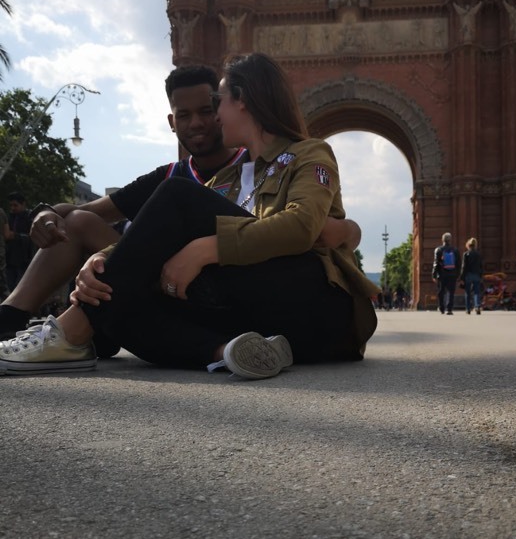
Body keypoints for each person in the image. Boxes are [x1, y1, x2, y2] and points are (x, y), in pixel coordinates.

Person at [0, 52, 379, 378]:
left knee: (177, 195)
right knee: (122, 307)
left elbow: (299, 228)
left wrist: (206, 249)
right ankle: (228, 352)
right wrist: (103, 262)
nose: (215, 116)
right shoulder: (227, 179)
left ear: (242, 100)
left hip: (317, 309)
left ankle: (69, 335)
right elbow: (158, 238)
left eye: (219, 102)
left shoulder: (308, 153)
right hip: (269, 323)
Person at [5, 192, 34, 291]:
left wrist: (15, 236)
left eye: (15, 205)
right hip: (9, 260)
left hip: (23, 260)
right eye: (11, 205)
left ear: (23, 204)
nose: (13, 208)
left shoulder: (30, 218)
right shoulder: (9, 218)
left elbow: (32, 237)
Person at [432, 232, 461, 314]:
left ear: (442, 240)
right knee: (451, 292)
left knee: (441, 291)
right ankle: (449, 309)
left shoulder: (438, 249)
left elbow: (435, 263)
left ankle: (441, 308)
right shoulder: (455, 250)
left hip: (442, 274)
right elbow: (458, 263)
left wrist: (434, 275)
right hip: (452, 274)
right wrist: (458, 274)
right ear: (450, 240)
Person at [460, 237, 483, 314]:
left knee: (468, 292)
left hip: (468, 275)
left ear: (468, 245)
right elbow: (480, 266)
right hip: (476, 274)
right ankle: (477, 306)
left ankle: (468, 309)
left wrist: (462, 277)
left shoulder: (466, 254)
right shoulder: (478, 254)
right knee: (477, 292)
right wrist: (481, 275)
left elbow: (464, 266)